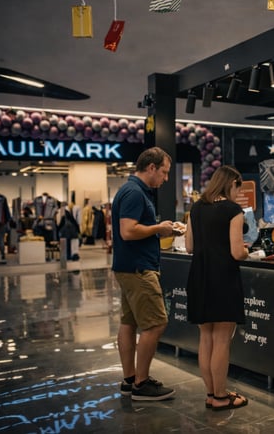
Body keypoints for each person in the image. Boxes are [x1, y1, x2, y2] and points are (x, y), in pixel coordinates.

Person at [111, 147, 177, 401]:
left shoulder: (130, 190)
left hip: (128, 266)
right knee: (156, 323)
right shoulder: (135, 193)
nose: (166, 178)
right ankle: (141, 383)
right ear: (151, 167)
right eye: (164, 172)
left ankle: (130, 379)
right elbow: (128, 231)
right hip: (139, 268)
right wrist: (159, 229)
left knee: (128, 323)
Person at [184, 166, 249, 410]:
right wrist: (247, 251)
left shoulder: (196, 208)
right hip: (223, 278)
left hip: (199, 277)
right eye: (238, 189)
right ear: (231, 184)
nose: (238, 194)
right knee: (222, 339)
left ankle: (211, 393)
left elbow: (189, 246)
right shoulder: (233, 210)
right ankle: (221, 397)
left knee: (206, 337)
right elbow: (237, 252)